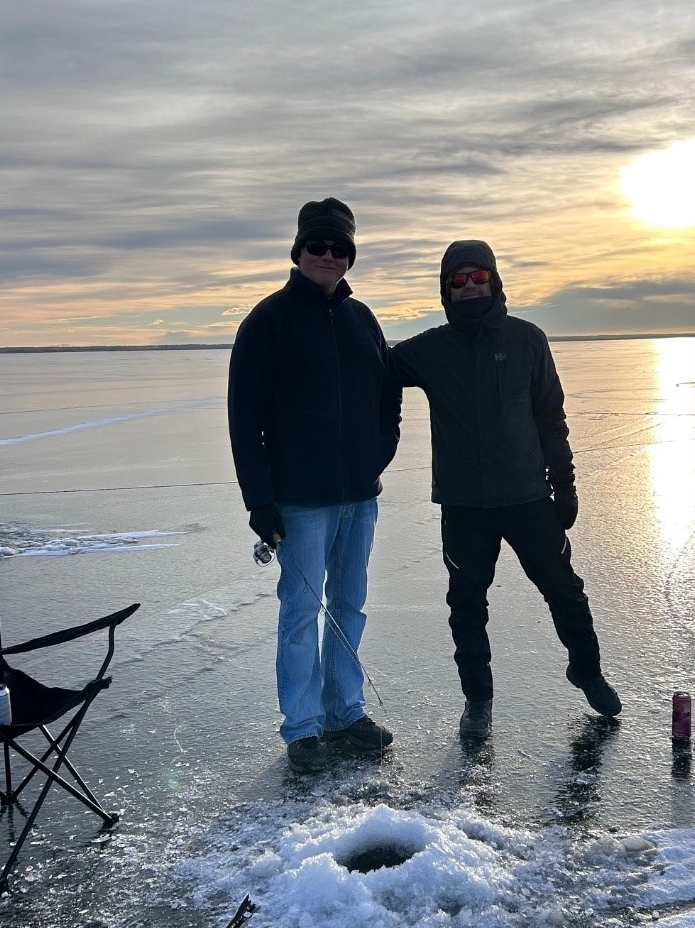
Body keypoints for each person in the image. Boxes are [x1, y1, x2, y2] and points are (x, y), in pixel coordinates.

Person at [390, 239, 622, 742]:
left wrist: (564, 484)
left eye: (478, 277)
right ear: (446, 291)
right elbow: (368, 368)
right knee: (467, 605)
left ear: (494, 282)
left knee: (565, 590)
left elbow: (549, 416)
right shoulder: (429, 351)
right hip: (464, 506)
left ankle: (587, 670)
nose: (469, 286)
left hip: (529, 499)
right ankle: (478, 700)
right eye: (458, 280)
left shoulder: (527, 340)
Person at [228, 198, 399, 773]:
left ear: (350, 256)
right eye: (317, 247)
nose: (328, 256)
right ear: (298, 252)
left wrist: (379, 453)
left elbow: (387, 396)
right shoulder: (268, 322)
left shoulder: (362, 320)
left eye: (339, 248)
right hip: (300, 502)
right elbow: (243, 416)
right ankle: (302, 727)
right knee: (301, 612)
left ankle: (344, 712)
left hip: (358, 497)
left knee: (350, 605)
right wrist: (260, 501)